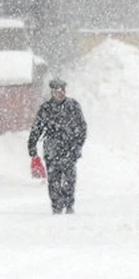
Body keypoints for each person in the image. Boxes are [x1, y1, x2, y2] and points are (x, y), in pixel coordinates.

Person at [28, 79, 87, 214]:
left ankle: (69, 204)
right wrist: (32, 145)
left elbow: (82, 127)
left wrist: (78, 145)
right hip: (52, 149)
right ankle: (56, 206)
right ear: (52, 92)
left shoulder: (73, 106)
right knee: (53, 179)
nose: (59, 94)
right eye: (56, 91)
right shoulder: (46, 108)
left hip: (69, 148)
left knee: (69, 179)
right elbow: (37, 128)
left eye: (62, 91)